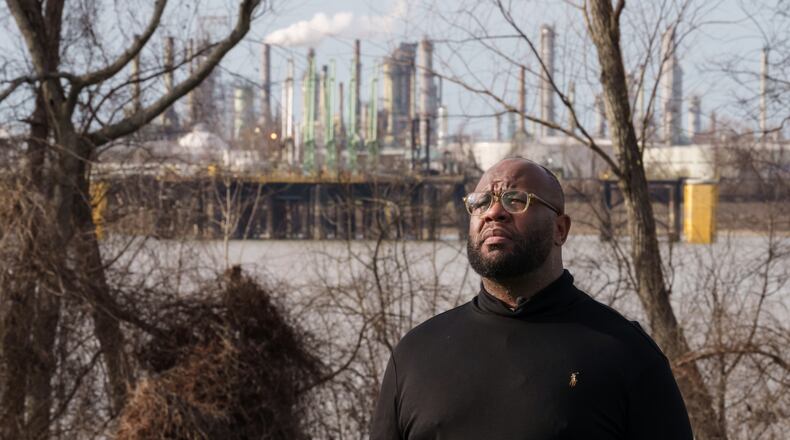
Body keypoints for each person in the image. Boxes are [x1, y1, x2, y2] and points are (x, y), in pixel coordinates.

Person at [370, 157, 693, 439]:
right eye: (481, 202)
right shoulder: (417, 353)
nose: (494, 213)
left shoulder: (624, 352)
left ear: (560, 229)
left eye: (516, 200)